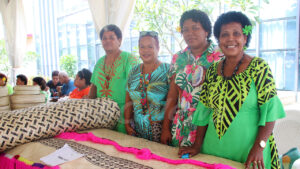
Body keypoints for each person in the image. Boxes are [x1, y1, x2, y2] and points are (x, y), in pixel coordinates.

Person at [178, 11, 286, 169]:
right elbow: (204, 111)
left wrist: (259, 147)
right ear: (219, 40)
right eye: (224, 35)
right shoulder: (214, 69)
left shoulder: (259, 67)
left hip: (249, 152)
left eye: (236, 33)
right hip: (213, 150)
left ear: (245, 38)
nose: (230, 39)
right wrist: (197, 145)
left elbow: (270, 113)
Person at [161, 9, 222, 147]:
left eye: (195, 28)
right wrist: (165, 128)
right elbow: (172, 94)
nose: (190, 33)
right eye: (185, 30)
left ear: (206, 31)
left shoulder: (220, 56)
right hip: (181, 125)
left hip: (209, 125)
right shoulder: (178, 58)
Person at [89, 24, 139, 134]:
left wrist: (128, 118)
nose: (107, 41)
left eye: (111, 37)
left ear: (119, 40)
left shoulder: (129, 59)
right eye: (104, 38)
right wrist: (88, 110)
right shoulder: (99, 62)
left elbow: (134, 88)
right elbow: (94, 87)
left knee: (124, 147)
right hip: (101, 115)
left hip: (123, 115)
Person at [124, 31, 169, 142]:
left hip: (159, 130)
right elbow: (128, 98)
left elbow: (173, 101)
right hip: (136, 129)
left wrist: (166, 129)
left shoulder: (167, 70)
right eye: (142, 47)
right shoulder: (133, 71)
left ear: (158, 47)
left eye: (150, 47)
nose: (145, 51)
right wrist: (127, 123)